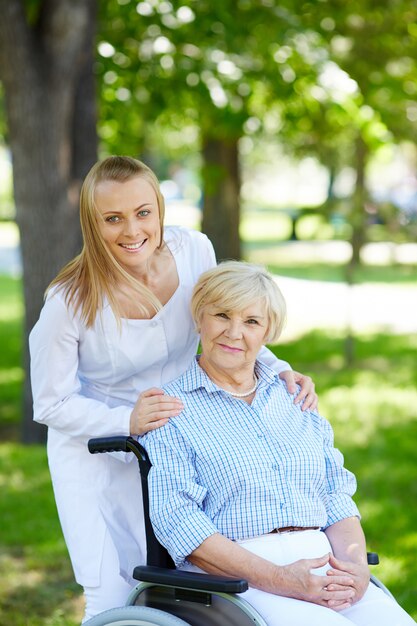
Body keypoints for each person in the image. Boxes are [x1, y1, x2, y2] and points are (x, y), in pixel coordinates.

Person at [29, 156, 318, 623]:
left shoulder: (193, 252)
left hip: (191, 434)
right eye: (113, 218)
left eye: (143, 212)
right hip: (100, 452)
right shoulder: (69, 300)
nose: (131, 230)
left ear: (160, 210)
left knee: (197, 579)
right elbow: (50, 401)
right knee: (112, 592)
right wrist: (126, 421)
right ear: (91, 222)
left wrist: (277, 367)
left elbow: (224, 321)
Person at [142, 261, 415, 626]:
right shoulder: (172, 408)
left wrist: (356, 570)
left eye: (251, 322)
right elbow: (179, 521)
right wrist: (282, 579)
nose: (234, 332)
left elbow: (334, 496)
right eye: (221, 315)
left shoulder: (295, 398)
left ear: (268, 331)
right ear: (199, 319)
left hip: (326, 564)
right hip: (239, 580)